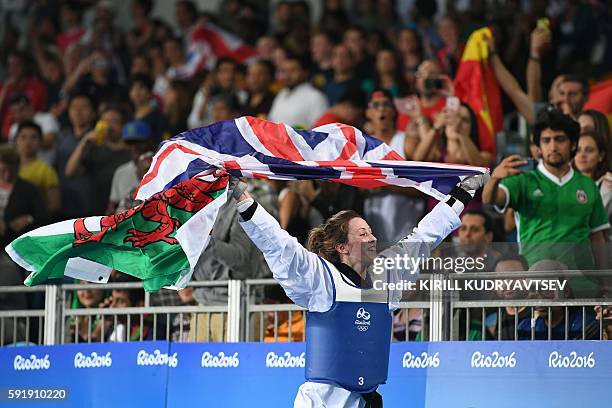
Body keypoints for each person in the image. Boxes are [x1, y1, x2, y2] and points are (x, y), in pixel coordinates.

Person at [232, 170, 489, 407]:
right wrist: (242, 197)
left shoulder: (388, 273)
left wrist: (464, 191)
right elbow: (278, 244)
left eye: (371, 232)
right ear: (342, 247)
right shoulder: (320, 279)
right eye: (363, 234)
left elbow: (426, 235)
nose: (373, 238)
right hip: (322, 402)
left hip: (366, 401)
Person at [483, 109, 610, 296]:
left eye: (560, 139)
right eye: (546, 140)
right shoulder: (523, 181)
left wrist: (606, 285)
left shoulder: (588, 185)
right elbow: (489, 199)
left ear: (573, 144)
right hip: (536, 286)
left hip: (582, 286)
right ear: (538, 147)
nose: (553, 146)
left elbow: (597, 238)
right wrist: (494, 179)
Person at [268, 54, 328, 129]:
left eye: (292, 70)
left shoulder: (316, 97)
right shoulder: (281, 94)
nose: (287, 75)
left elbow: (319, 132)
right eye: (284, 71)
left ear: (305, 72)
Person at [14, 121, 61, 215]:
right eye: (23, 137)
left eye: (33, 137)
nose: (28, 142)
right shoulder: (7, 168)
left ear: (40, 142)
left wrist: (31, 218)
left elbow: (55, 205)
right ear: (16, 140)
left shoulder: (47, 170)